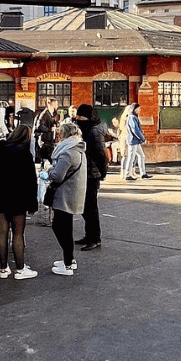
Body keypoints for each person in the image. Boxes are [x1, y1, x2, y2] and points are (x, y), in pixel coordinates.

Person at [0, 124, 39, 279]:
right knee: (18, 233)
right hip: (18, 198)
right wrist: (33, 201)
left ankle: (3, 269)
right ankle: (20, 269)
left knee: (1, 233)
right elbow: (31, 179)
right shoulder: (24, 153)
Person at [45, 122, 87, 276]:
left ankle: (68, 264)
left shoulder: (67, 152)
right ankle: (70, 259)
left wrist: (49, 170)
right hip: (73, 193)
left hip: (65, 194)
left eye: (60, 133)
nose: (58, 136)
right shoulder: (78, 148)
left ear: (65, 134)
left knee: (59, 227)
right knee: (66, 227)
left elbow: (57, 176)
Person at [74, 104, 109, 251]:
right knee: (85, 206)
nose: (77, 119)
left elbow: (102, 155)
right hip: (86, 172)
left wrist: (102, 173)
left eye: (80, 117)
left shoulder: (94, 132)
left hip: (92, 174)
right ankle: (89, 235)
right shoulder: (87, 129)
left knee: (90, 207)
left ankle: (94, 238)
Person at [123, 103, 153, 181]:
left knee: (141, 156)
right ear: (134, 109)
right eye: (138, 109)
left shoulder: (132, 117)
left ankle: (143, 173)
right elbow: (135, 130)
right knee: (131, 157)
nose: (139, 110)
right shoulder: (132, 117)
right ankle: (127, 174)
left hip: (135, 141)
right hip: (133, 141)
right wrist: (143, 139)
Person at [35, 98, 58, 162]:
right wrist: (50, 129)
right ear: (52, 104)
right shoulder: (44, 114)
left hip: (48, 141)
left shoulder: (50, 114)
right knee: (47, 161)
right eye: (56, 104)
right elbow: (39, 126)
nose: (57, 106)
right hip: (45, 142)